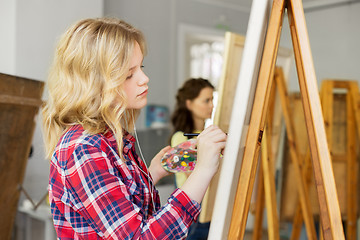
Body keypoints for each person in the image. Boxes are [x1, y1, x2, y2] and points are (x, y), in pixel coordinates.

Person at [42, 17, 226, 239]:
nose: (144, 79)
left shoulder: (110, 140)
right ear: (95, 83)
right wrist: (204, 170)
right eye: (130, 73)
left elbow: (119, 204)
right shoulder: (84, 149)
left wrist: (152, 172)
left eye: (141, 67)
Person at [170, 78, 215, 240]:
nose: (212, 105)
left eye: (212, 100)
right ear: (189, 104)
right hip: (193, 210)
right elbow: (194, 176)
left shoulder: (210, 134)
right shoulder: (180, 138)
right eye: (206, 100)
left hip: (210, 205)